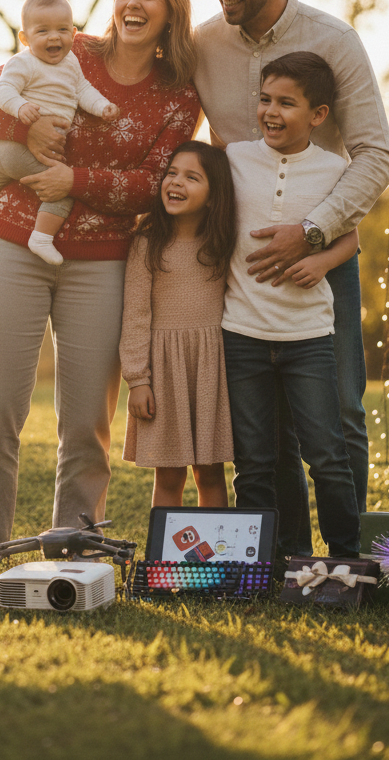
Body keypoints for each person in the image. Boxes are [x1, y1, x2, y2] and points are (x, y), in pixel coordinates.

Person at [0, 0, 202, 546]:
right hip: (13, 243)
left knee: (88, 423)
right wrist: (24, 128)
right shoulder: (71, 48)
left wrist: (76, 180)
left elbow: (154, 184)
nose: (133, 4)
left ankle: (75, 550)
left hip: (103, 261)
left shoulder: (178, 95)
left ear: (171, 11)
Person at [194, 0, 389, 555]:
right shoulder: (203, 45)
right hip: (245, 270)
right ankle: (285, 558)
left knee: (341, 413)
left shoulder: (335, 40)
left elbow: (375, 155)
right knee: (266, 433)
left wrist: (312, 234)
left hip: (322, 256)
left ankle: (349, 561)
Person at [223, 51, 361, 557]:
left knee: (327, 456)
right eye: (265, 100)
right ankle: (263, 563)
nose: (271, 112)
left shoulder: (334, 169)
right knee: (253, 463)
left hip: (308, 338)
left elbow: (350, 239)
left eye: (286, 103)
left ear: (318, 114)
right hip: (242, 334)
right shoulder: (235, 158)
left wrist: (322, 262)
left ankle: (346, 560)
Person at [0, 0, 119, 266]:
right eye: (43, 31)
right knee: (62, 188)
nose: (53, 37)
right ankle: (42, 238)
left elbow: (83, 91)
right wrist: (20, 107)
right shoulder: (24, 62)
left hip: (3, 152)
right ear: (25, 38)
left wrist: (102, 106)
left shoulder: (71, 62)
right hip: (20, 147)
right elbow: (3, 89)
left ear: (74, 33)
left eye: (62, 30)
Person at [120, 141, 237, 508]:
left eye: (191, 177)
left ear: (214, 196)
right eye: (171, 173)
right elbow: (135, 315)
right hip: (164, 373)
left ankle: (215, 546)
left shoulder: (223, 243)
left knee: (211, 471)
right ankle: (163, 547)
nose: (176, 182)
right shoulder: (147, 243)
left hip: (210, 371)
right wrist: (138, 380)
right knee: (169, 475)